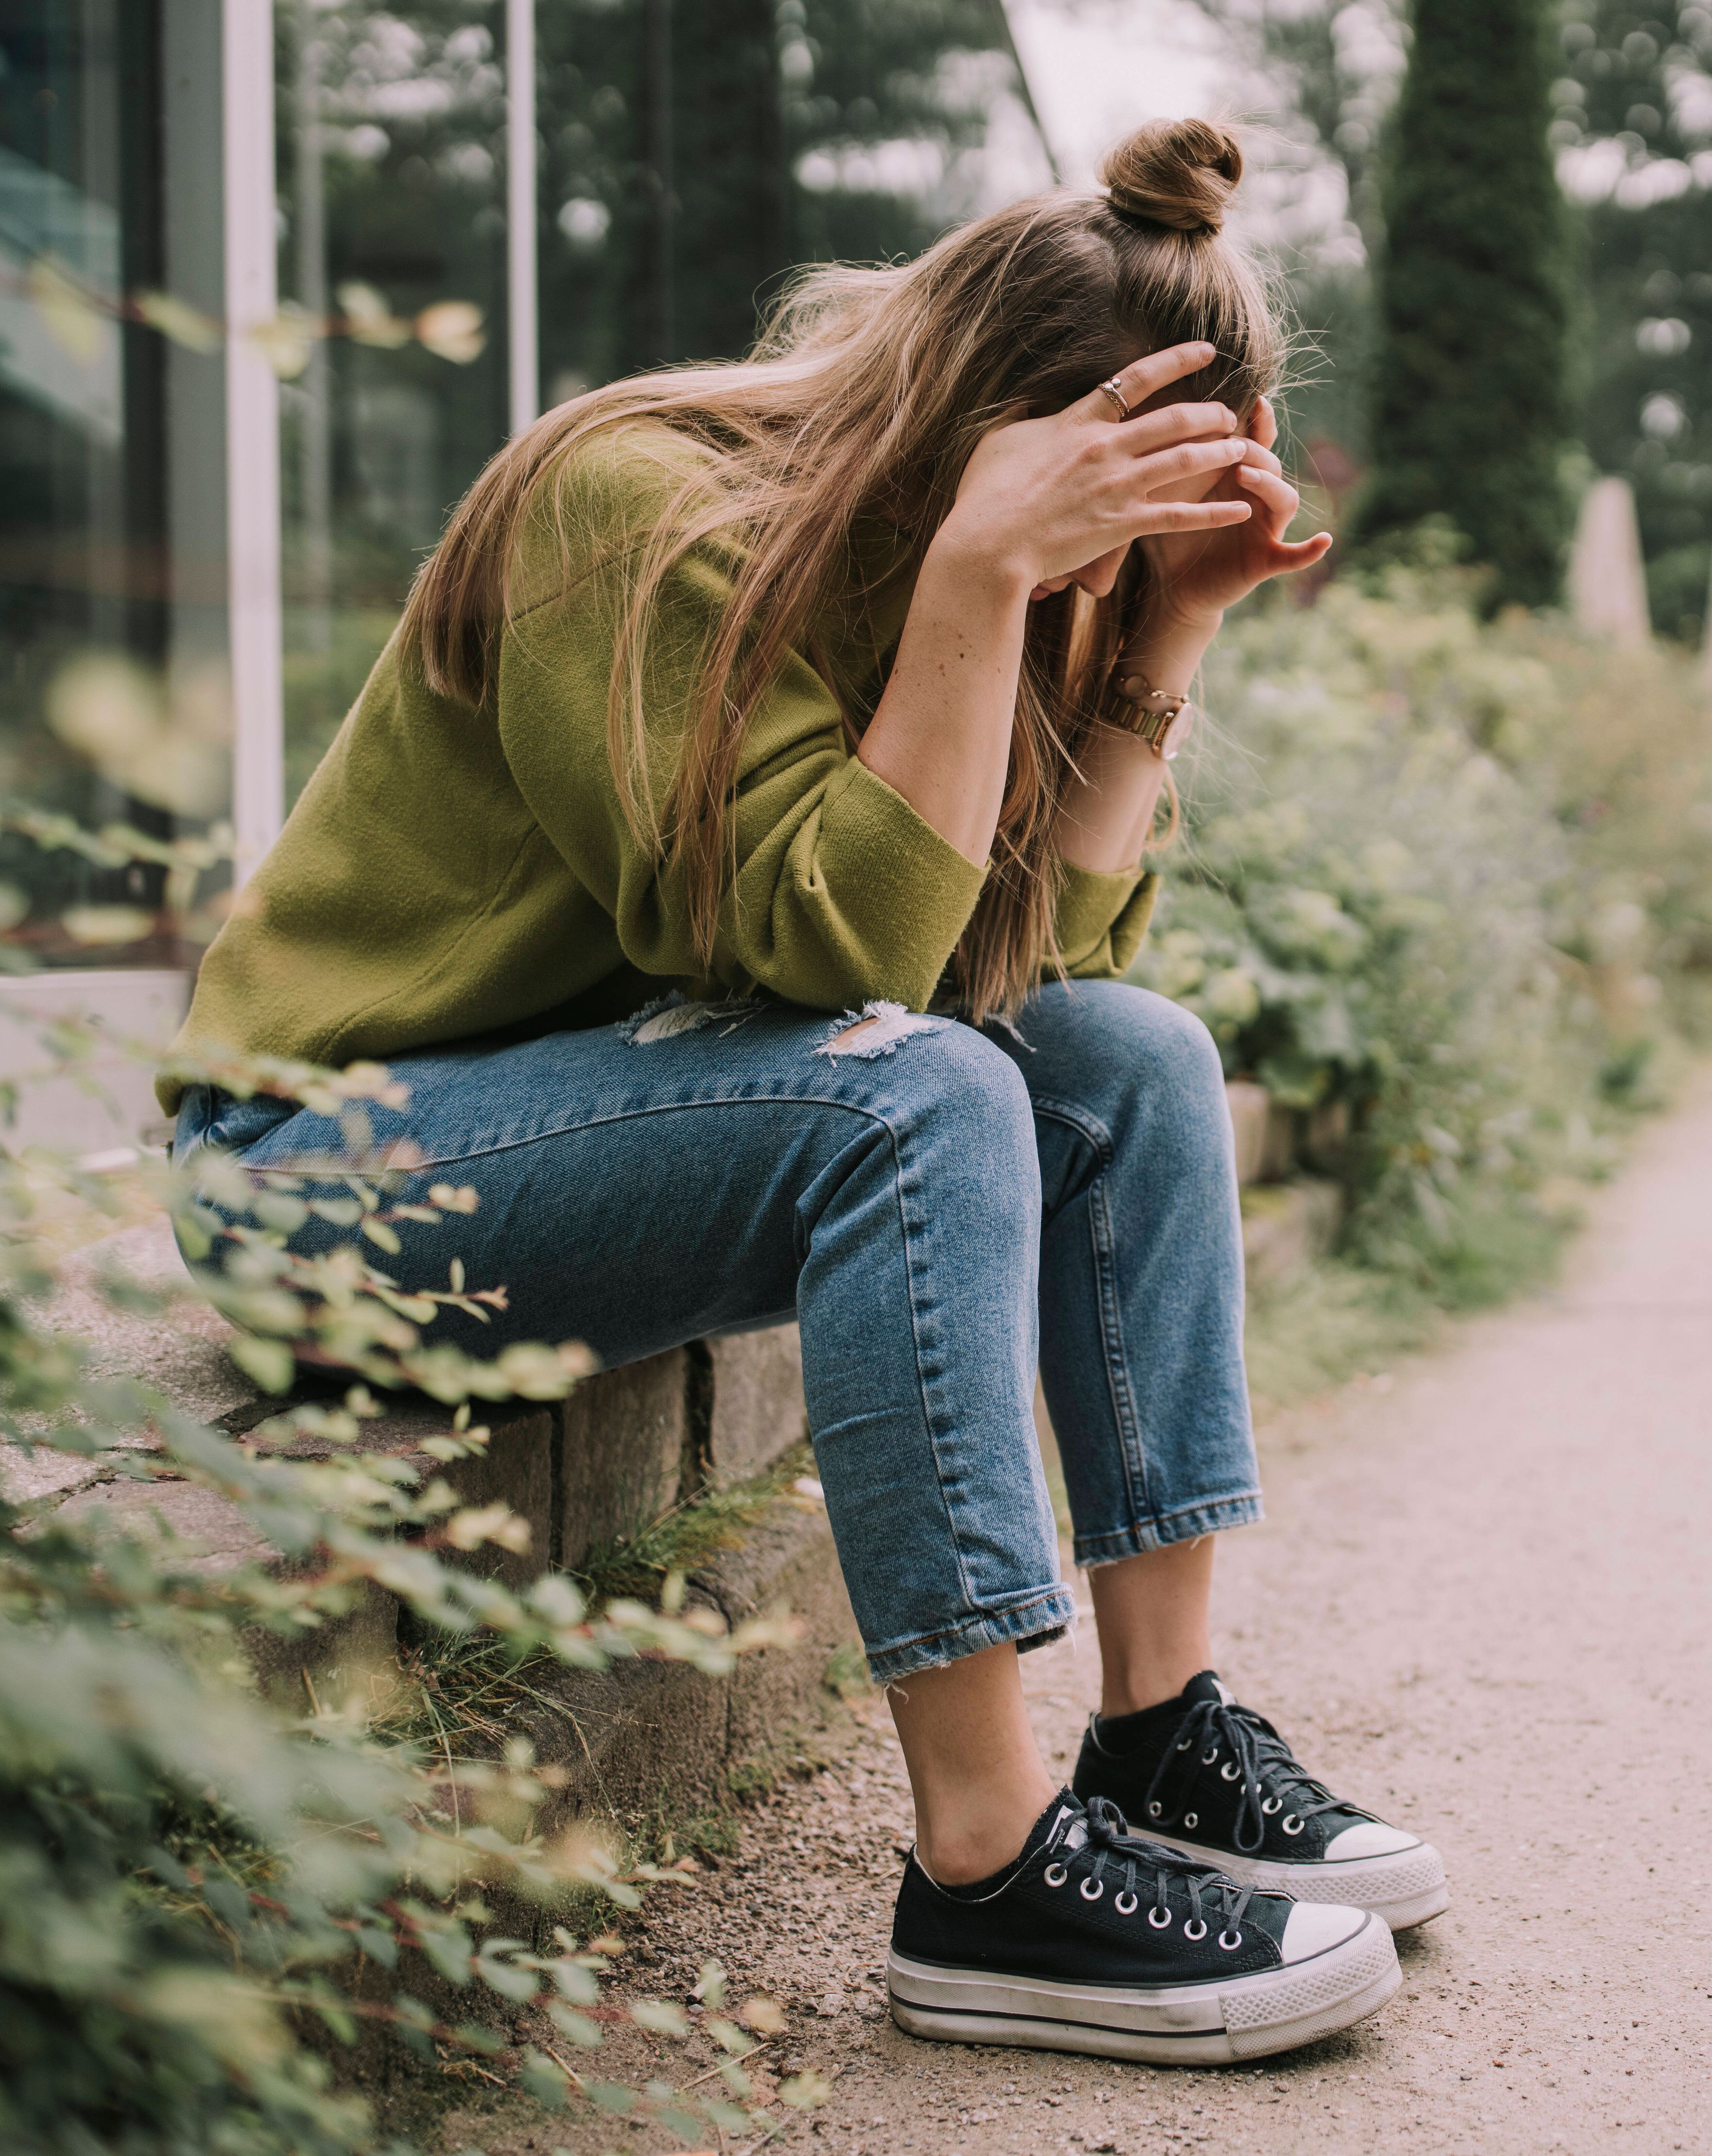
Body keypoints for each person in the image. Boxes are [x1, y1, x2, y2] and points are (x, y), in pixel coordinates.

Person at [160, 119, 1438, 2065]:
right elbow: (845, 976)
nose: (1099, 556)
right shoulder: (634, 508)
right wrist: (981, 572)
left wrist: (1159, 625)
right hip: (336, 1162)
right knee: (908, 1095)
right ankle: (991, 1876)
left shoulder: (1028, 574)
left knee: (1133, 1060)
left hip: (633, 1112)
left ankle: (1164, 1732)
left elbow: (1043, 979)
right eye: (1096, 513)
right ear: (970, 428)